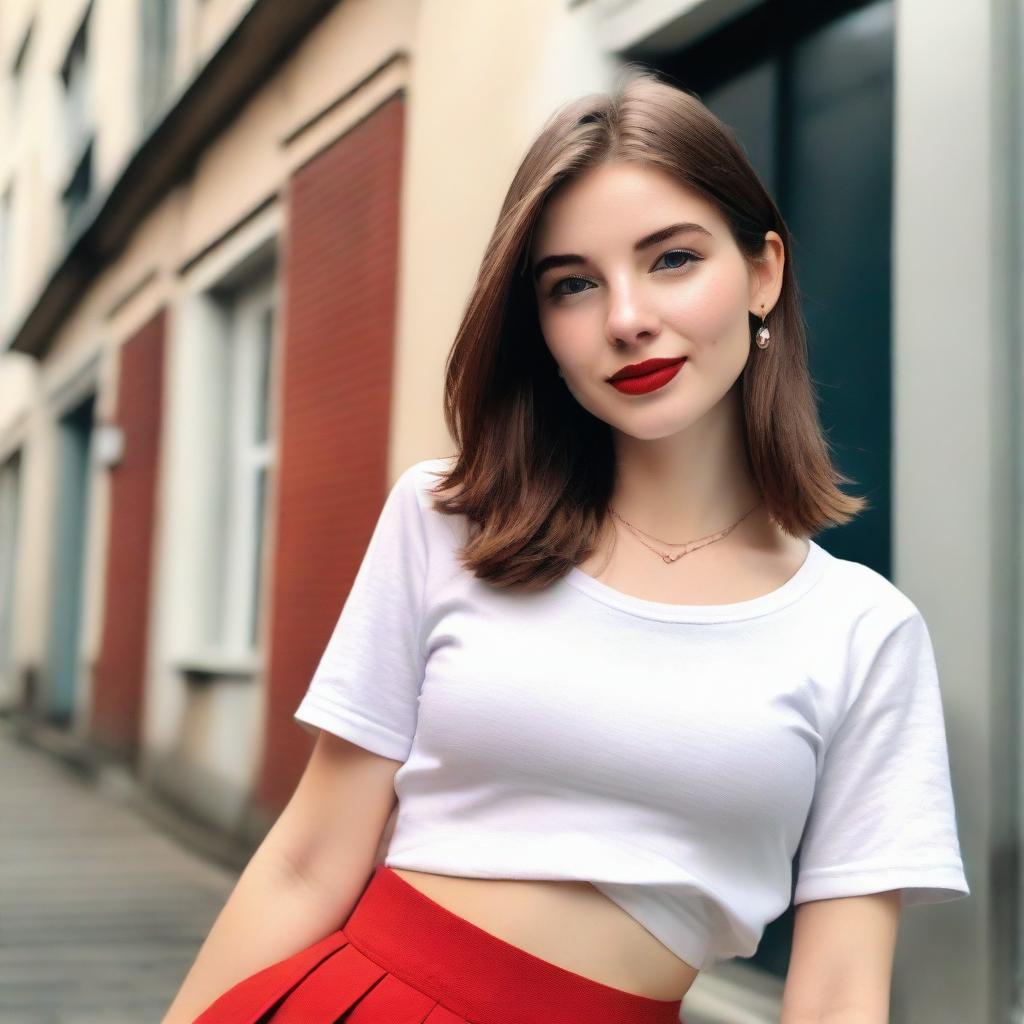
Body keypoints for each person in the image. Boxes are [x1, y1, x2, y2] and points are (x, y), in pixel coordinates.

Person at [164, 65, 970, 1024]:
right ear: (540, 326)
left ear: (763, 273)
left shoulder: (864, 633)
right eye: (574, 284)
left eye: (672, 259)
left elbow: (838, 993)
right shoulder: (451, 519)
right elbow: (307, 859)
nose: (627, 318)